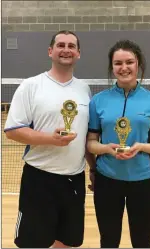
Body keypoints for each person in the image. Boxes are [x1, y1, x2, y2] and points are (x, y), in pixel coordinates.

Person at [4, 30, 95, 248]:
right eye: (61, 45)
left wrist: (93, 168)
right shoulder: (31, 86)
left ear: (79, 53)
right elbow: (12, 130)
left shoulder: (84, 89)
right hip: (40, 179)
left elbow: (84, 134)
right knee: (33, 243)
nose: (66, 50)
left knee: (67, 242)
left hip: (74, 179)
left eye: (71, 46)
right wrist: (50, 139)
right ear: (50, 51)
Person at [87, 39, 150, 248]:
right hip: (107, 181)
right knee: (108, 241)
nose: (124, 68)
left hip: (143, 182)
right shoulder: (98, 101)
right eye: (118, 63)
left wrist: (141, 147)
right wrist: (106, 149)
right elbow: (90, 143)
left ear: (138, 64)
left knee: (142, 241)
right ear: (111, 67)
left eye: (129, 62)